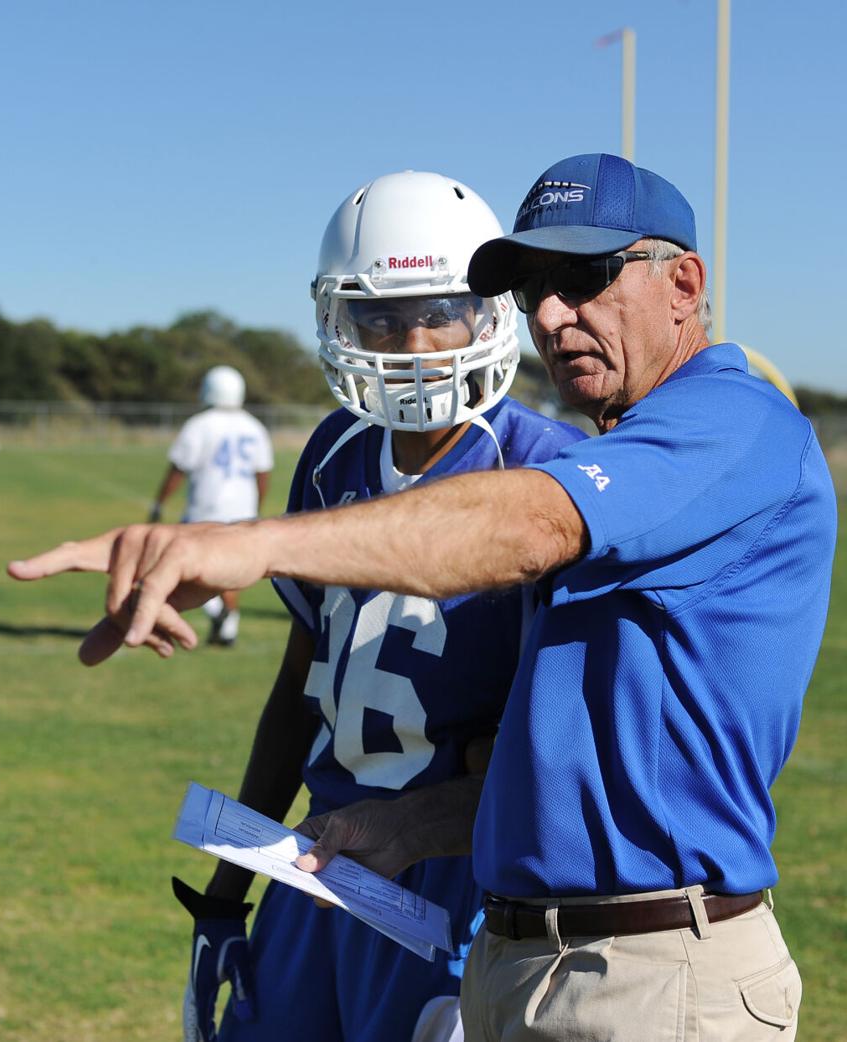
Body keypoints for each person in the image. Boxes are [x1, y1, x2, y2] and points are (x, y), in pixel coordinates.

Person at [9, 153, 837, 1041]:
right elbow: (565, 765)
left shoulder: (727, 426)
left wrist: (246, 540)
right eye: (533, 292)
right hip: (531, 954)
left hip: (650, 963)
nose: (552, 316)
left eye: (585, 277)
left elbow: (525, 527)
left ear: (685, 282)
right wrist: (403, 827)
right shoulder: (613, 463)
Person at [169, 170, 585, 1042]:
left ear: (490, 312)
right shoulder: (332, 454)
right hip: (321, 856)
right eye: (382, 318)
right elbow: (301, 680)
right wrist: (234, 880)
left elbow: (564, 729)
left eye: (441, 310)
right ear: (338, 318)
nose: (416, 343)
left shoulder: (546, 469)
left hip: (456, 873)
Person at [147, 365, 273, 647]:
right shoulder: (254, 426)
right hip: (243, 509)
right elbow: (262, 474)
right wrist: (255, 510)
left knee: (184, 566)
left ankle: (216, 613)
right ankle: (228, 627)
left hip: (206, 506)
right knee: (230, 572)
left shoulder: (199, 424)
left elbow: (179, 468)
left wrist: (159, 502)